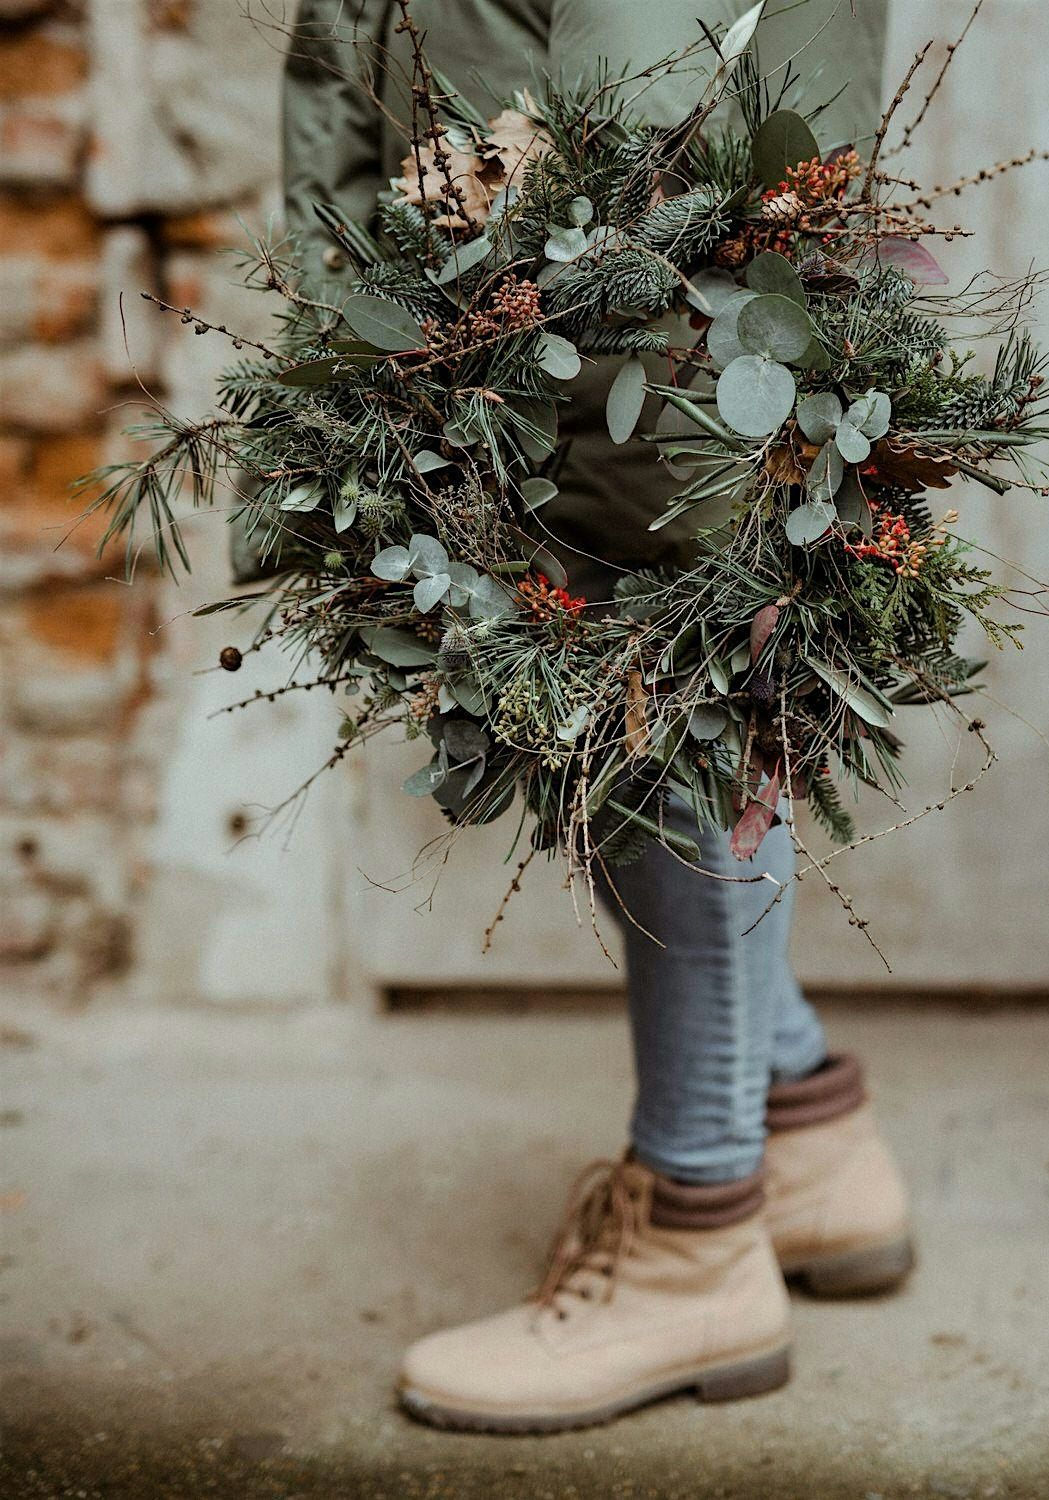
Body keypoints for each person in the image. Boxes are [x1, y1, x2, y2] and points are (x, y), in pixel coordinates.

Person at [282, 0, 909, 1433]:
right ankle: (802, 1132)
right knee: (569, 594)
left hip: (628, 59)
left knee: (660, 603)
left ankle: (698, 1230)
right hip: (460, 55)